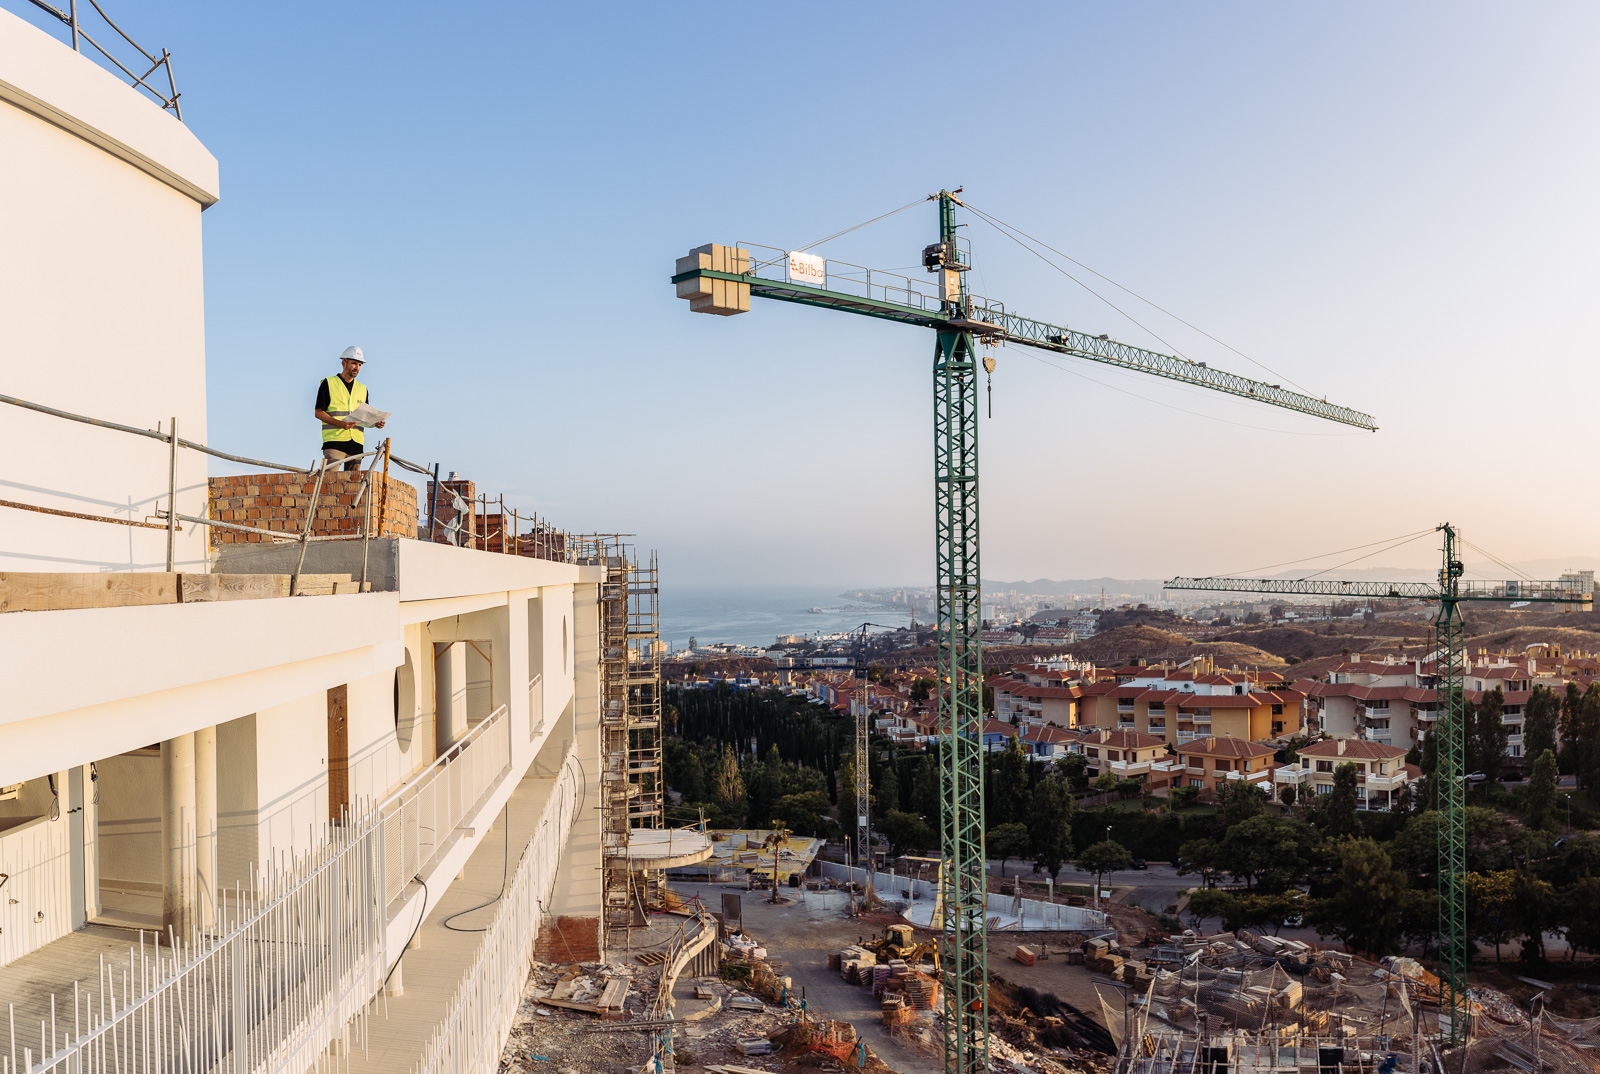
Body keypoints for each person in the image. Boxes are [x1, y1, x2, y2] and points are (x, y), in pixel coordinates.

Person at [313, 345, 385, 470]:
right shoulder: (328, 383)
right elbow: (318, 412)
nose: (357, 368)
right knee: (330, 483)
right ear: (344, 363)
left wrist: (375, 423)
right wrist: (339, 423)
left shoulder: (362, 389)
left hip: (356, 444)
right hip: (334, 442)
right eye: (354, 363)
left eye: (360, 365)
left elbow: (365, 416)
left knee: (353, 487)